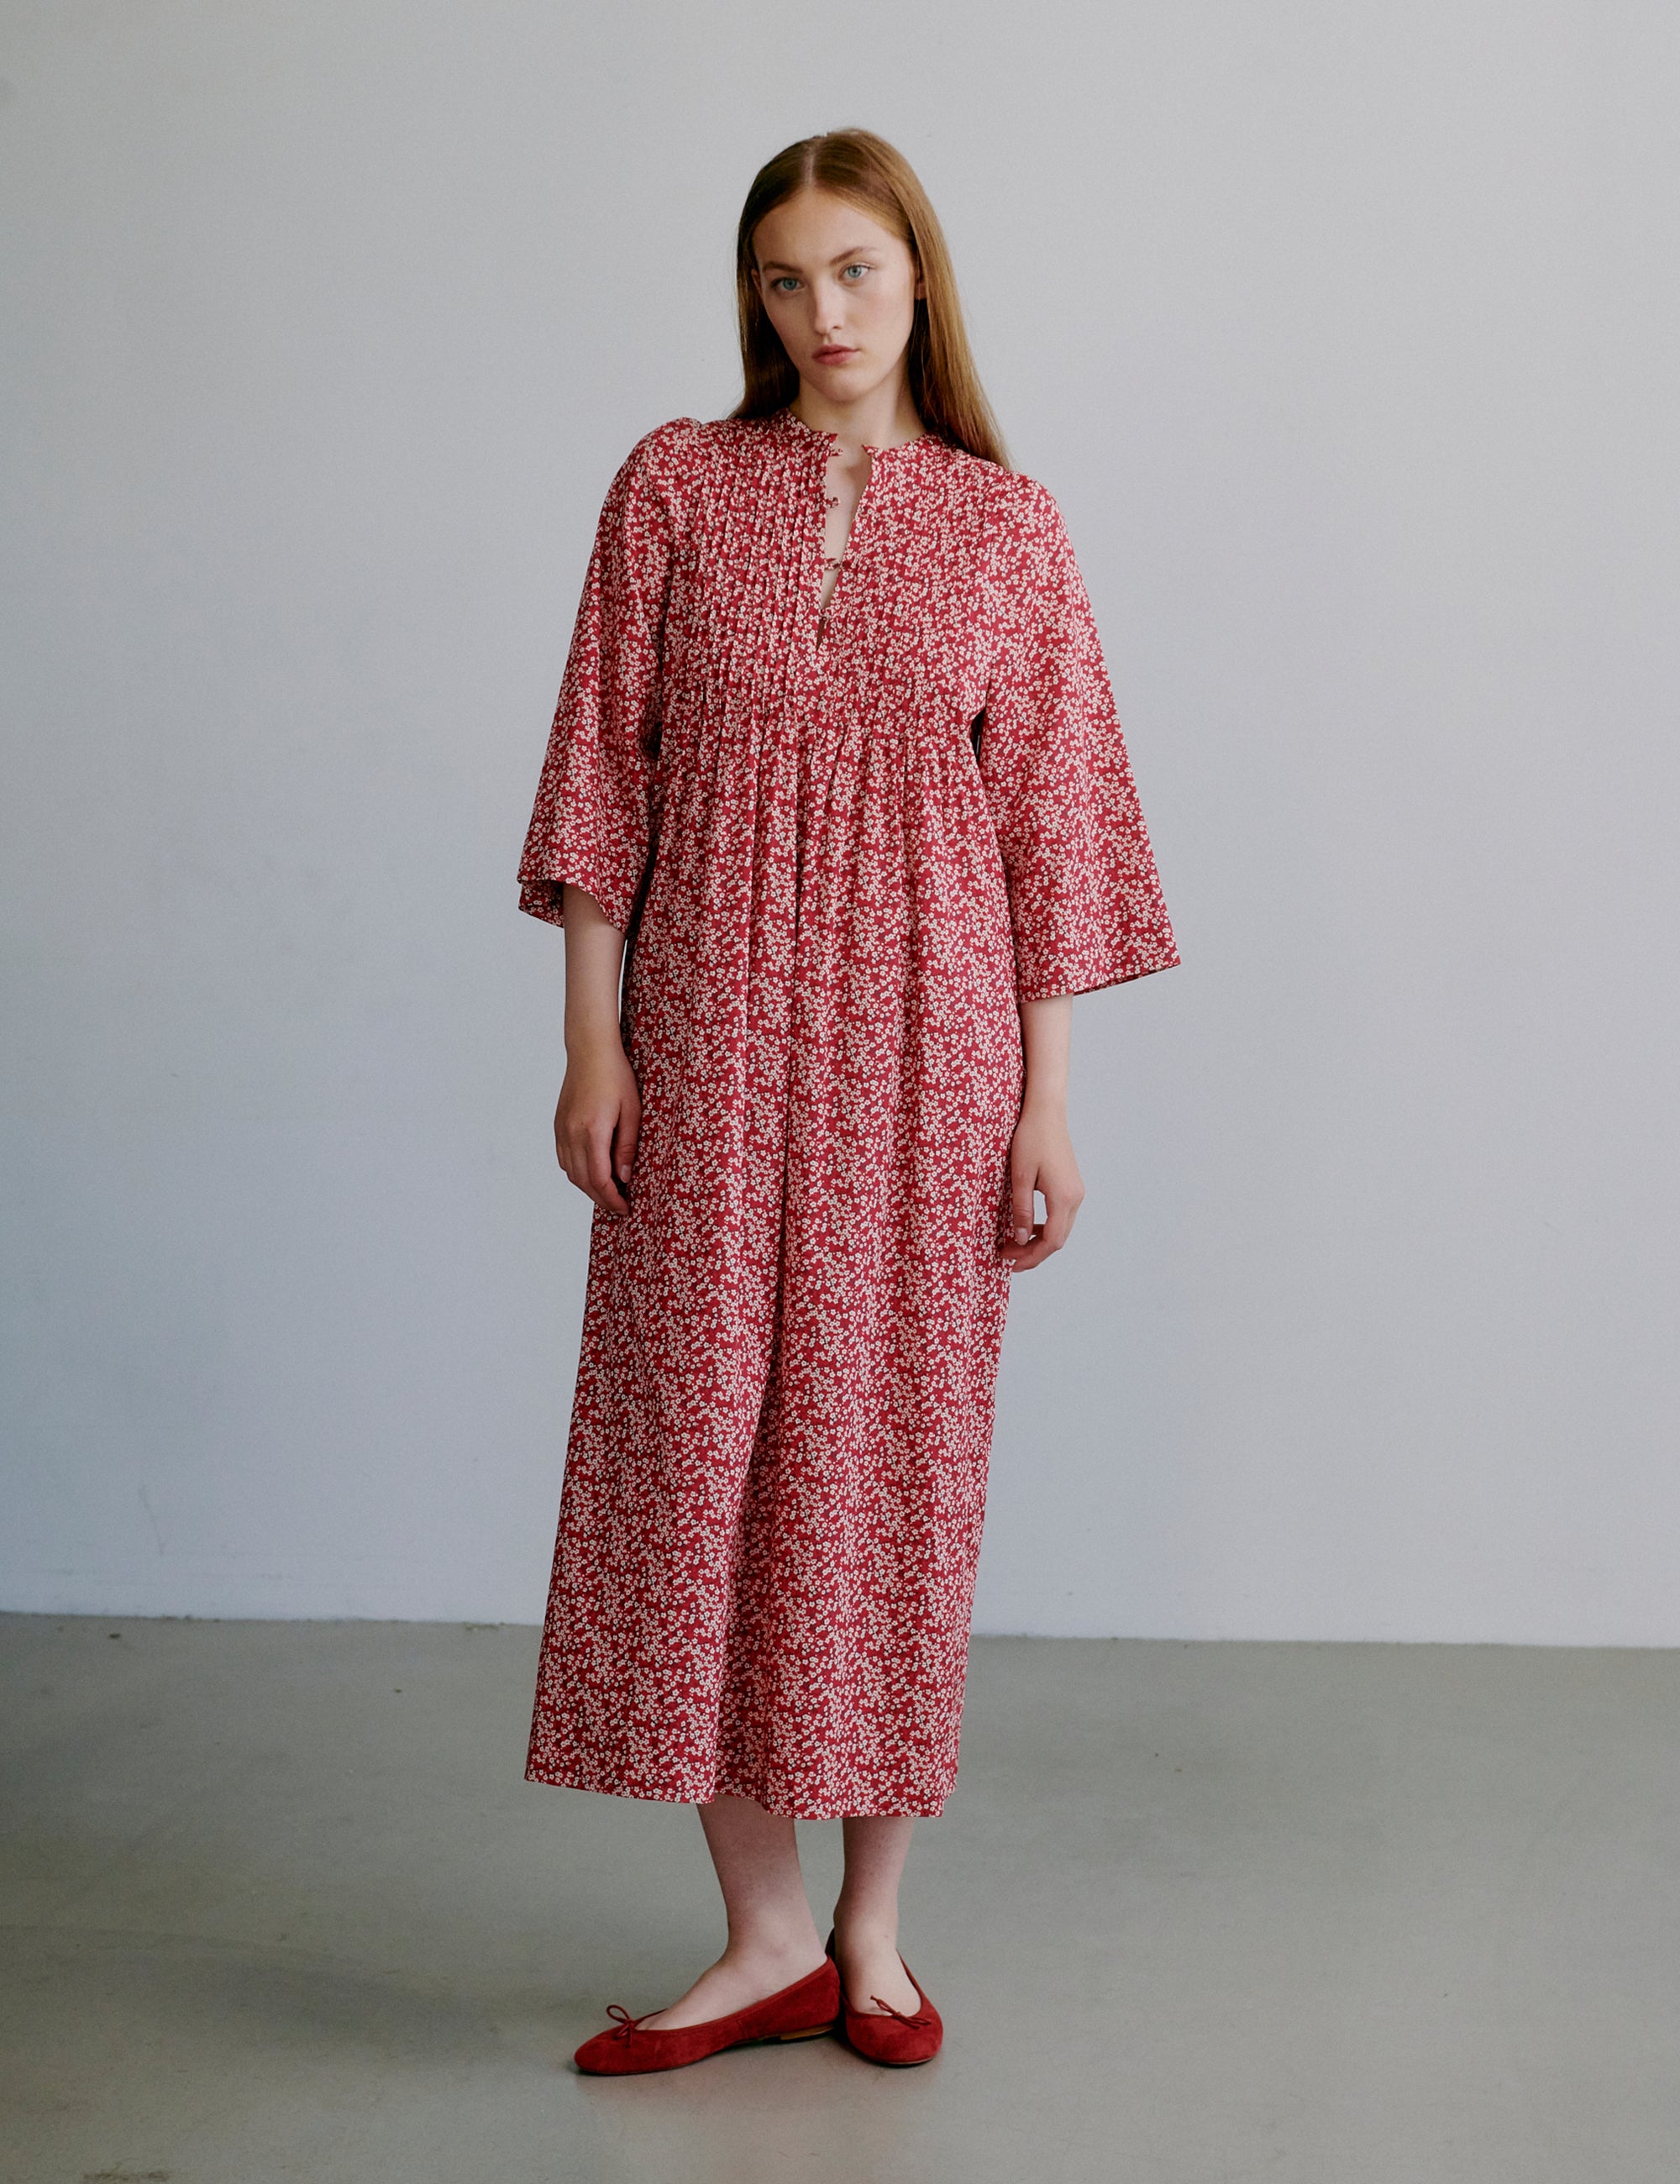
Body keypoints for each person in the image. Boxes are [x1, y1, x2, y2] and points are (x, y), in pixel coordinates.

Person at [517, 128, 1179, 2076]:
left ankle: (874, 1940)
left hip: (932, 1049)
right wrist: (592, 1036)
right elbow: (599, 777)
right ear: (755, 296)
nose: (823, 315)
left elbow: (1053, 832)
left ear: (920, 280)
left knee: (886, 1470)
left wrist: (1047, 1100)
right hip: (703, 1034)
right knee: (692, 1452)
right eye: (787, 279)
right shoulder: (672, 487)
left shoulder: (1009, 526)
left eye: (858, 273)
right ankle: (760, 1936)